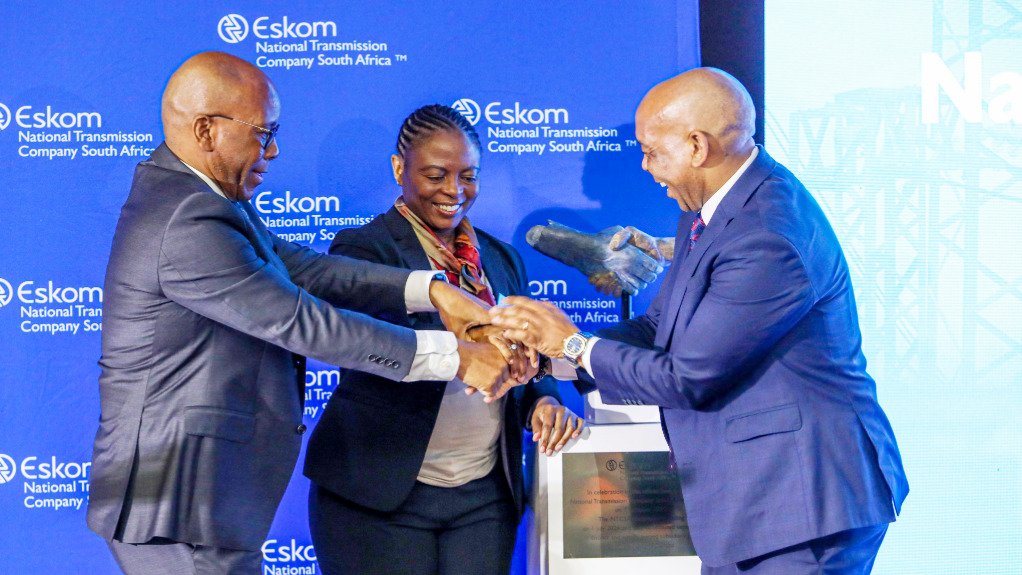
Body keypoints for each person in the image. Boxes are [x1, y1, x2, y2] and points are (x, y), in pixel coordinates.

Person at [87, 52, 522, 575]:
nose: (272, 150)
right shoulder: (188, 217)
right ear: (206, 130)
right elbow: (301, 321)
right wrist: (454, 355)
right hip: (181, 502)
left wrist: (434, 291)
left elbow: (310, 271)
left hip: (204, 502)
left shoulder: (213, 201)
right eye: (262, 133)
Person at [490, 68, 909, 574]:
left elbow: (688, 377)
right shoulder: (712, 207)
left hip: (804, 508)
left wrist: (575, 344)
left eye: (650, 150)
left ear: (696, 146)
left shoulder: (767, 234)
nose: (646, 167)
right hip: (757, 505)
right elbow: (657, 329)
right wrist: (547, 357)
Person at [304, 104, 584, 575]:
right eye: (436, 174)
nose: (454, 191)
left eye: (468, 176)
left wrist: (541, 399)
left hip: (483, 497)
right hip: (379, 492)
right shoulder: (363, 249)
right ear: (399, 169)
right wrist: (470, 351)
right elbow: (376, 344)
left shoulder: (500, 258)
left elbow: (530, 353)